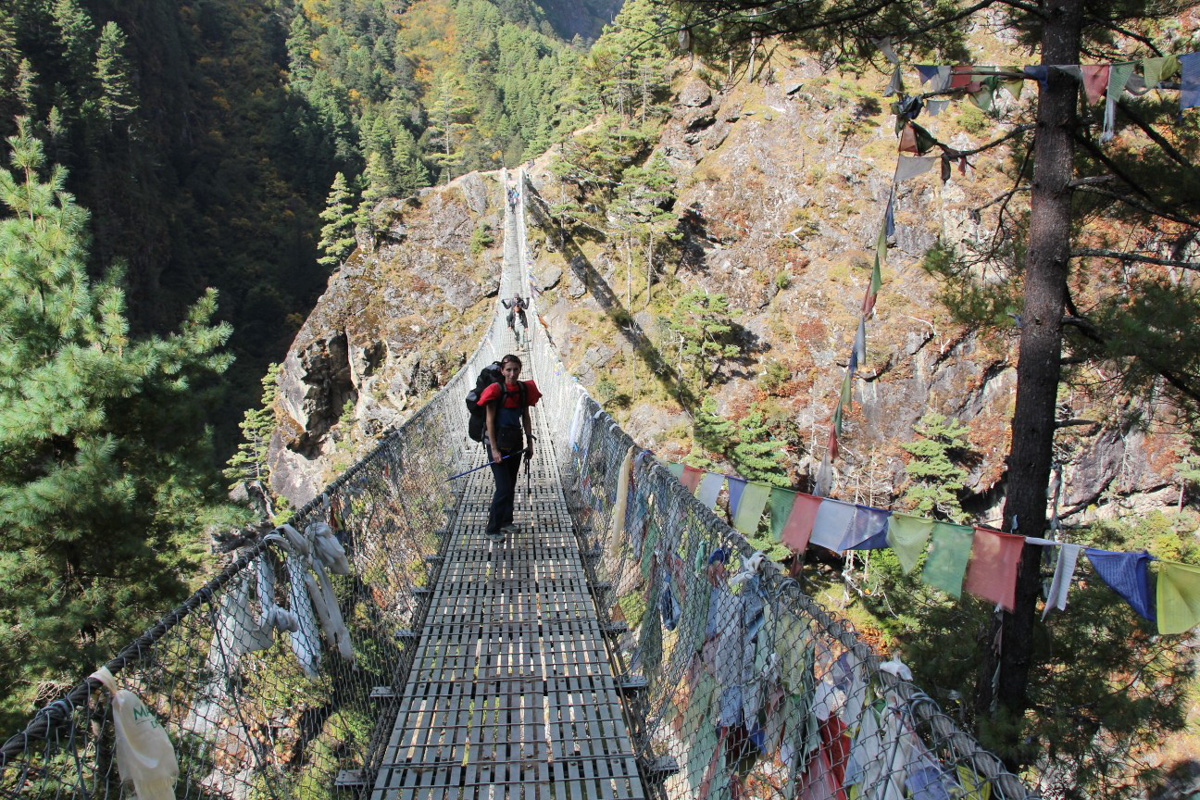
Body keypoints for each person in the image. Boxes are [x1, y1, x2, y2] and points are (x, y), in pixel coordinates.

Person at [479, 353, 541, 537]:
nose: (512, 373)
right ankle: (492, 529)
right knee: (503, 487)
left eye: (515, 369)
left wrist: (530, 442)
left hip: (515, 443)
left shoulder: (523, 390)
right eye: (508, 370)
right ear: (502, 371)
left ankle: (507, 521)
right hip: (497, 444)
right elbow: (489, 421)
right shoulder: (495, 390)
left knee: (511, 484)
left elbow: (526, 417)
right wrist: (494, 449)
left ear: (520, 370)